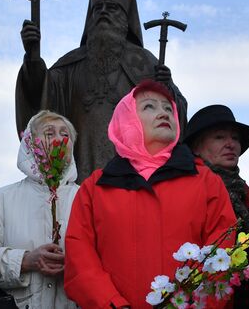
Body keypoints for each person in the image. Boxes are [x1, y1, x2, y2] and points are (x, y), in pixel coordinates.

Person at [64, 80, 236, 308]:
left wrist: (193, 304)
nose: (163, 113)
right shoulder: (95, 187)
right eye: (149, 107)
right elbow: (80, 255)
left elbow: (222, 247)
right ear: (126, 120)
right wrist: (111, 304)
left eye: (168, 108)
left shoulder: (206, 182)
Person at [16, 0, 188, 182]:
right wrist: (33, 59)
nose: (104, 13)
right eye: (98, 8)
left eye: (112, 8)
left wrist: (167, 88)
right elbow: (41, 98)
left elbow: (174, 118)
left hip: (133, 179)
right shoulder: (71, 64)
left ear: (125, 19)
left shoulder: (144, 63)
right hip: (78, 175)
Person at [0, 110, 79, 308]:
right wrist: (25, 260)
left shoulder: (86, 198)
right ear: (30, 144)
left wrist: (75, 265)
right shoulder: (3, 198)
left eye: (65, 134)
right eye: (49, 134)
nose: (59, 139)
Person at [183, 104, 249, 308]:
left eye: (235, 138)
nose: (231, 144)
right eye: (219, 137)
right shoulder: (189, 191)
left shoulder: (239, 193)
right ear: (195, 147)